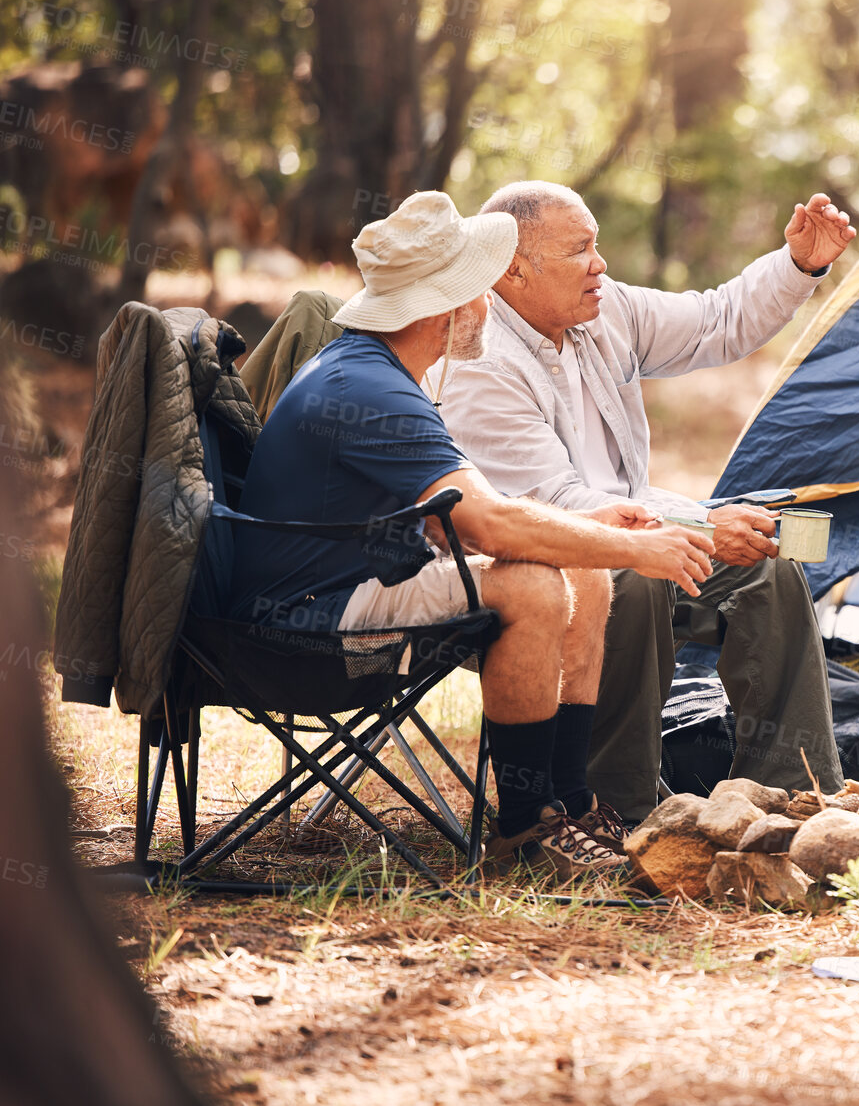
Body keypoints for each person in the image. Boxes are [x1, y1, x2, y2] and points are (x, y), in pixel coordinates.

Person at [227, 191, 716, 881]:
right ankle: (525, 829)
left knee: (580, 572)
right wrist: (640, 547)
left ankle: (570, 806)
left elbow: (447, 515)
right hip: (305, 624)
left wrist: (593, 530)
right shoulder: (374, 389)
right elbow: (484, 520)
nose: (490, 300)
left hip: (359, 581)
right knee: (529, 585)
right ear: (446, 306)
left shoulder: (385, 372)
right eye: (478, 286)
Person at [431, 180, 858, 828]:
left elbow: (718, 319)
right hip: (526, 575)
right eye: (580, 249)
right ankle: (618, 811)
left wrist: (799, 262)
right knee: (632, 578)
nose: (600, 264)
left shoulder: (602, 309)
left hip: (628, 529)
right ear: (515, 268)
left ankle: (796, 794)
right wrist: (698, 526)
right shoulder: (482, 364)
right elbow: (563, 509)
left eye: (597, 245)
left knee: (769, 570)